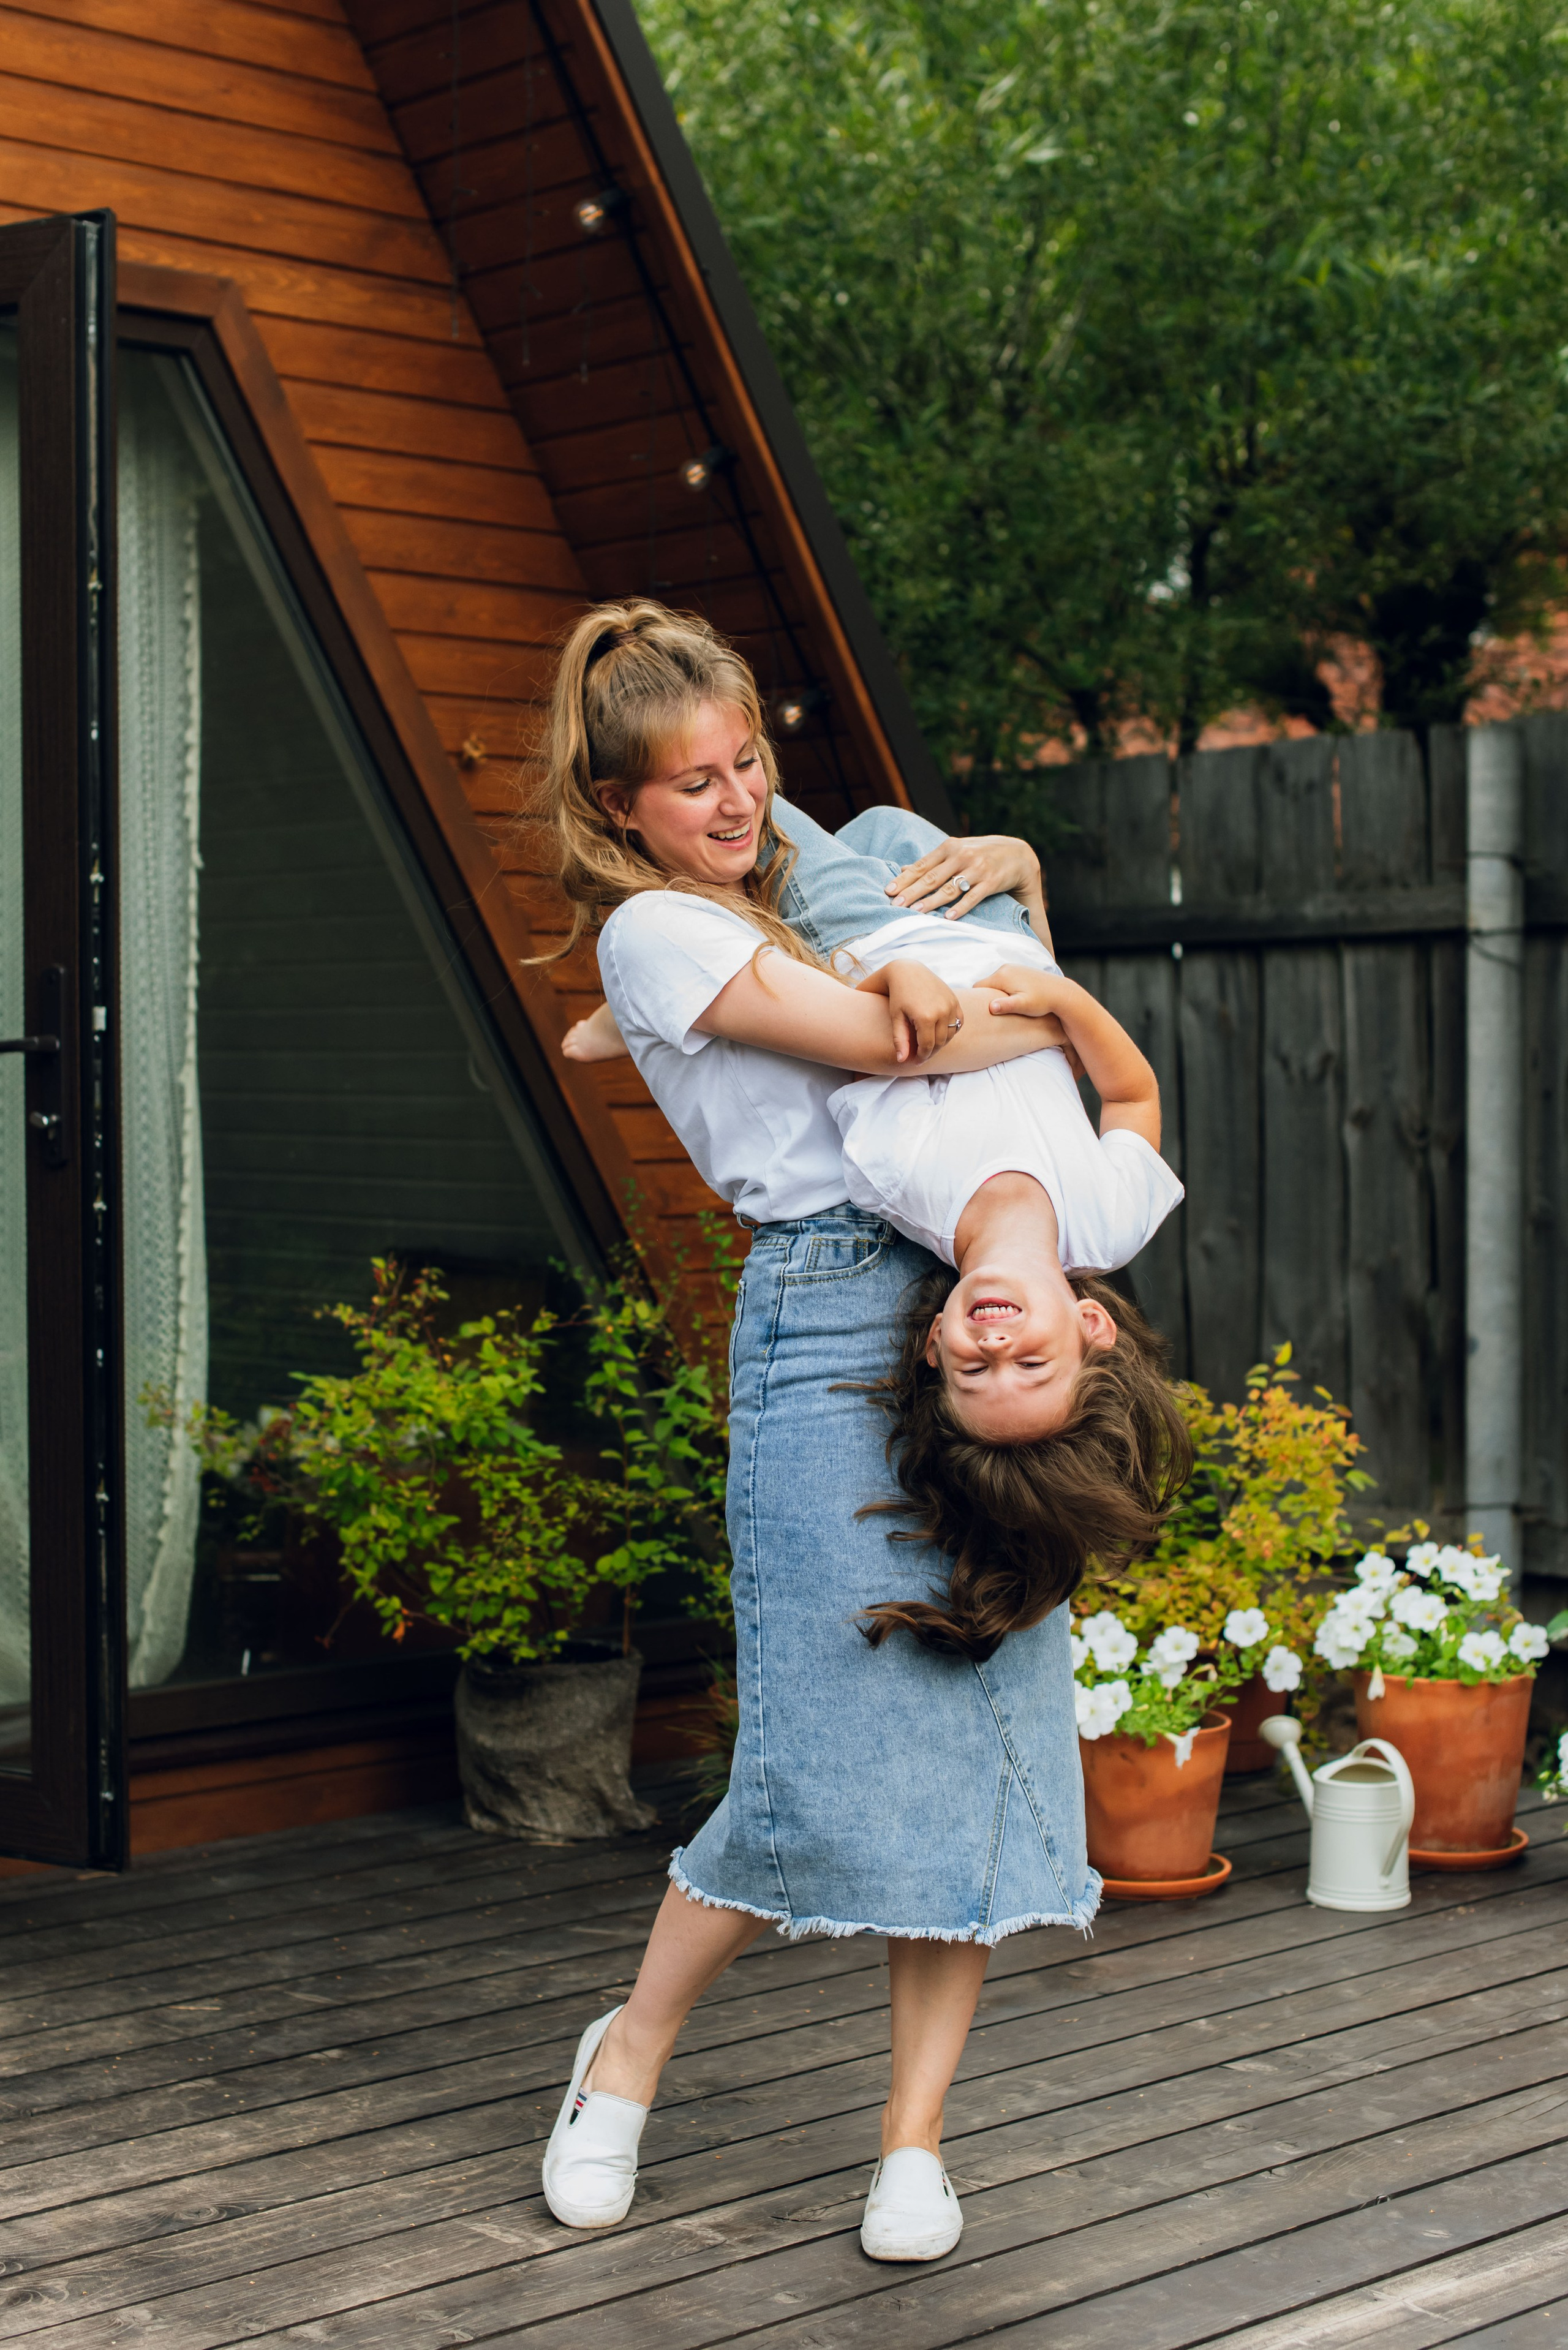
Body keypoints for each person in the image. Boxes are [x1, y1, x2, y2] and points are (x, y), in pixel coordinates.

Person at [532, 600, 1107, 2265]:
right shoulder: (656, 935)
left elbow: (973, 1009)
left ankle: (913, 2141)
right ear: (622, 803)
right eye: (688, 779)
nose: (730, 798)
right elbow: (899, 1037)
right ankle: (621, 2059)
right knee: (813, 1744)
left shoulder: (796, 892)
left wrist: (1013, 888)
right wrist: (1047, 986)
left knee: (989, 1716)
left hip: (975, 1290)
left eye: (748, 762)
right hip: (829, 1314)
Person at [567, 780, 1189, 1666]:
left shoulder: (898, 1187)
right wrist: (1072, 1006)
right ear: (1092, 1326)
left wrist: (890, 977)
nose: (996, 1344)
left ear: (935, 1340)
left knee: (738, 806)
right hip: (998, 929)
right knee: (885, 826)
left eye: (975, 1369)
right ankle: (640, 1009)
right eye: (1032, 1361)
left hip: (876, 933)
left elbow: (868, 1039)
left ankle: (632, 1007)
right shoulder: (1112, 1221)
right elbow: (1132, 1094)